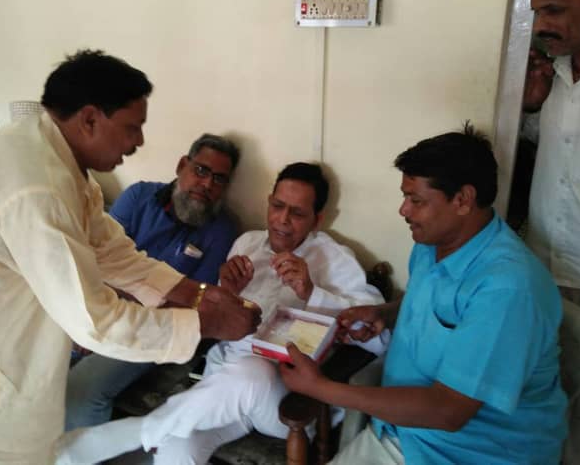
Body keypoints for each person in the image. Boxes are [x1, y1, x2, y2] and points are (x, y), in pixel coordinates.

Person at [0, 50, 260, 464]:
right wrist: (205, 321)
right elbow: (94, 321)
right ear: (90, 119)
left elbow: (110, 249)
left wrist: (194, 292)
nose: (139, 141)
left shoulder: (54, 162)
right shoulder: (37, 189)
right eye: (132, 127)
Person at [56, 162, 388, 465]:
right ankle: (155, 432)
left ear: (317, 219)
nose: (282, 220)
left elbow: (379, 337)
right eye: (277, 206)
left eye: (297, 213)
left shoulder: (334, 259)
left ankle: (141, 431)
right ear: (268, 202)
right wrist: (227, 292)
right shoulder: (247, 244)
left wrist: (311, 293)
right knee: (177, 447)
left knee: (253, 372)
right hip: (223, 387)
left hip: (286, 402)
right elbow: (217, 319)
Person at [280, 127, 567, 464]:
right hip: (401, 431)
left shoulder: (507, 288)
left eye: (416, 200)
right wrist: (386, 314)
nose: (404, 210)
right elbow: (439, 307)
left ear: (462, 200)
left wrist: (321, 388)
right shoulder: (433, 245)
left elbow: (449, 411)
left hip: (466, 453)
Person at [66, 133, 240, 430]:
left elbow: (191, 304)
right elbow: (96, 262)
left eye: (219, 179)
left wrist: (115, 328)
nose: (208, 184)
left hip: (150, 330)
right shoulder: (139, 197)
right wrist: (96, 319)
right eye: (201, 170)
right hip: (98, 307)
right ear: (182, 165)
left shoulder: (221, 232)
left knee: (80, 396)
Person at [522, 0, 580, 311]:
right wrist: (532, 106)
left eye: (554, 10)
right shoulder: (551, 75)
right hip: (542, 266)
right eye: (537, 12)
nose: (540, 26)